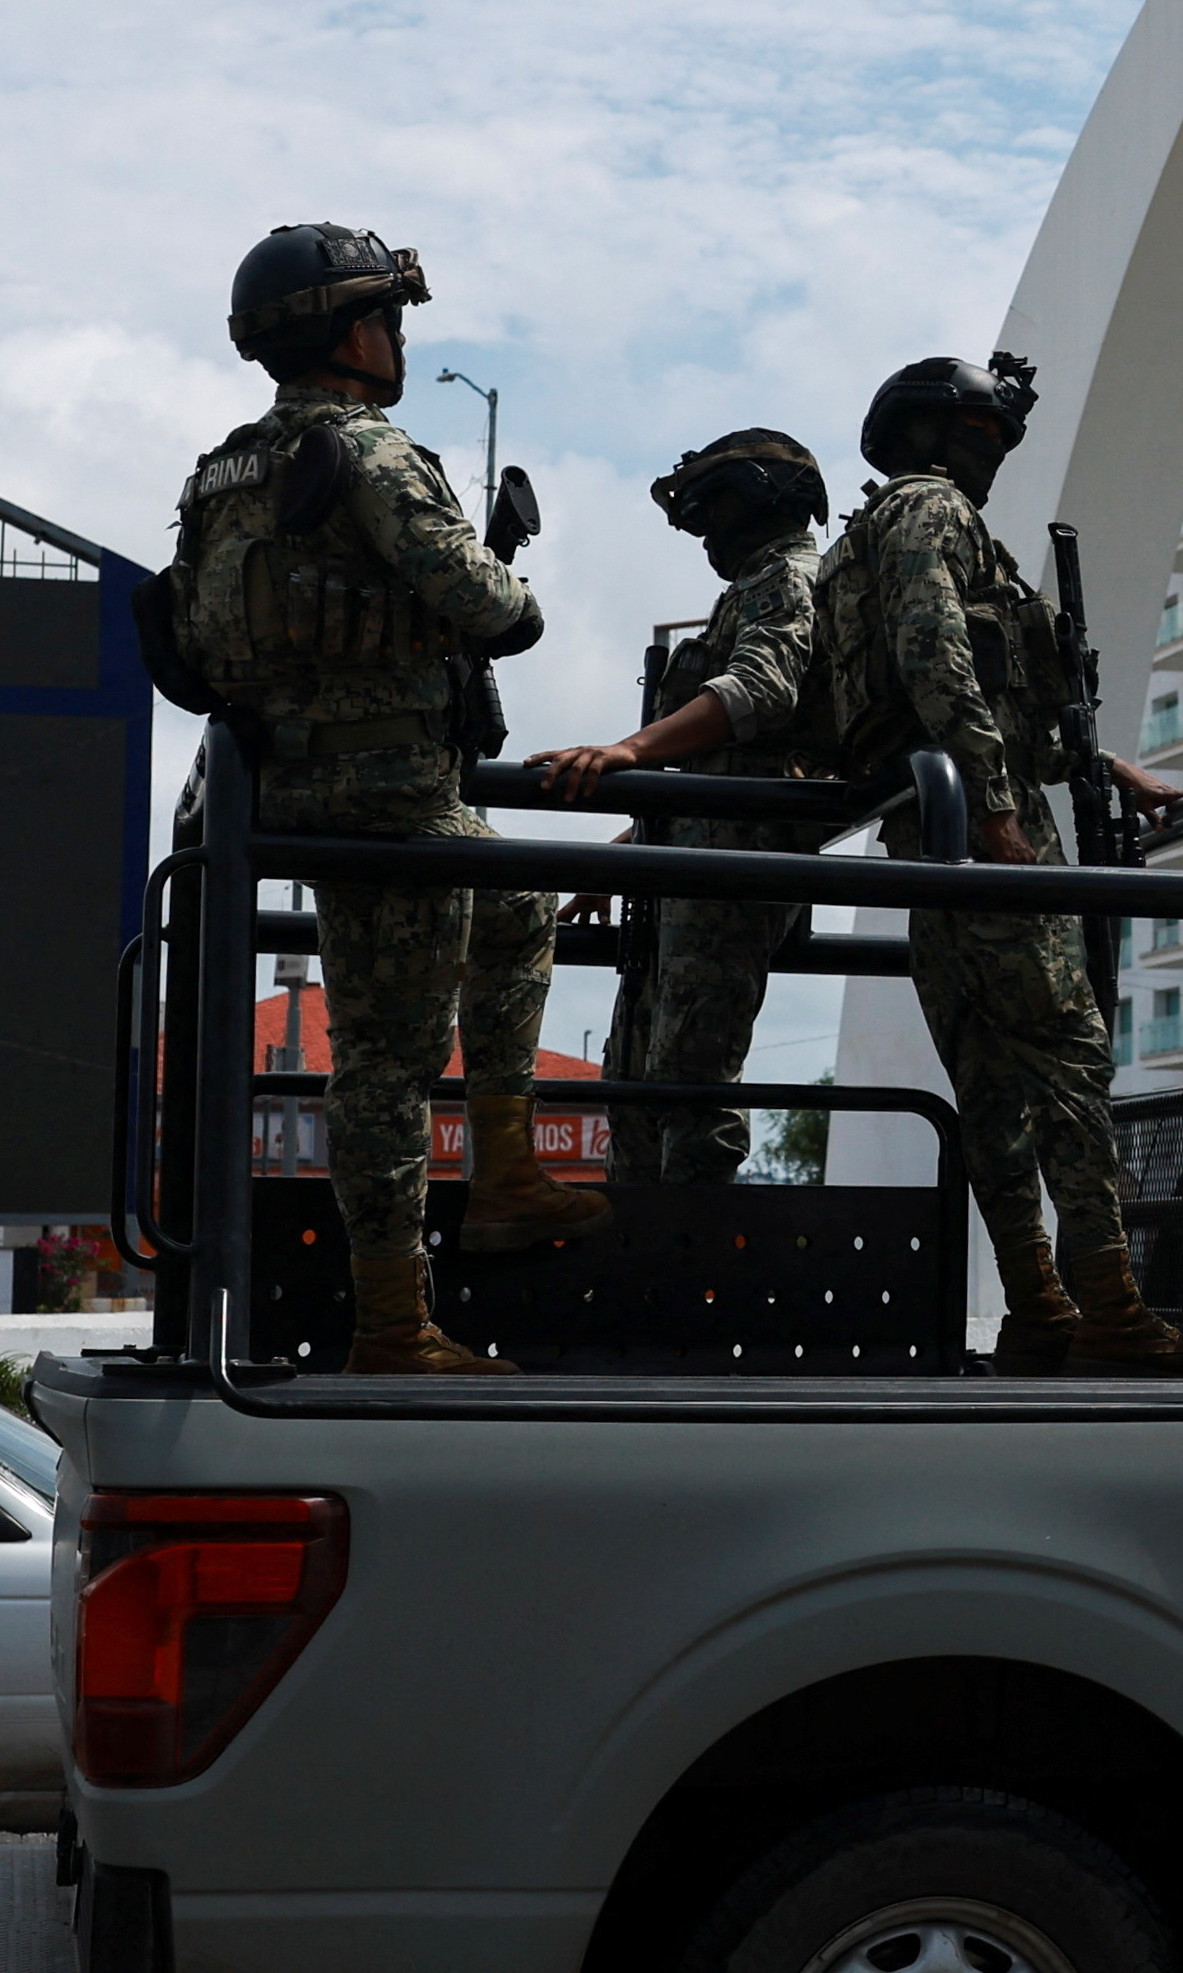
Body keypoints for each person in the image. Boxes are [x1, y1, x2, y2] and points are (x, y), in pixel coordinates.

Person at [160, 222, 591, 1378]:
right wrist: (501, 589)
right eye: (391, 320)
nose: (399, 341)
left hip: (281, 786)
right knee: (387, 1066)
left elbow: (194, 642)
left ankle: (502, 1170)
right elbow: (493, 605)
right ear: (352, 332)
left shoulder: (220, 473)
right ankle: (396, 1326)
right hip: (388, 794)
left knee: (515, 912)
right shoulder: (371, 450)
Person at [806, 352, 1183, 1371]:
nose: (994, 457)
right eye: (986, 436)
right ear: (944, 436)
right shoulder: (934, 513)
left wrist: (1109, 768)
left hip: (929, 828)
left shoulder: (865, 536)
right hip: (985, 823)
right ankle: (1109, 1308)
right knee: (1068, 1060)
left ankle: (1039, 1307)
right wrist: (995, 813)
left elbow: (987, 687)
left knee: (988, 1080)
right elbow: (940, 654)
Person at [530, 430, 833, 1182]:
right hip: (692, 867)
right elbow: (720, 761)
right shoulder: (755, 584)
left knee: (690, 1078)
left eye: (718, 505)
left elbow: (760, 692)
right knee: (637, 1078)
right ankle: (640, 1258)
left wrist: (629, 751)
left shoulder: (787, 578)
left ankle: (692, 1273)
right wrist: (634, 850)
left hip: (732, 871)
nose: (707, 530)